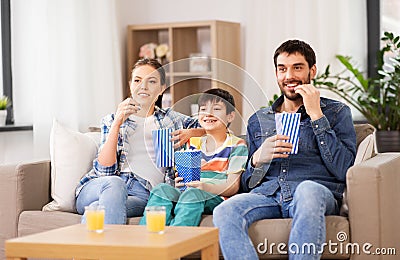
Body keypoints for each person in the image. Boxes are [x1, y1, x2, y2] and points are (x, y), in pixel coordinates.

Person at [213, 40, 357, 259]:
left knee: (307, 190)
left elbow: (344, 169)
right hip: (268, 195)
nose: (289, 76)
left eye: (297, 67)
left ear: (312, 70)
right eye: (282, 69)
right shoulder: (258, 120)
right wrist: (256, 160)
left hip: (314, 192)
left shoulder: (337, 112)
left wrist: (316, 115)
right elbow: (247, 185)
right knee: (225, 210)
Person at [75, 58, 204, 224]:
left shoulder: (172, 119)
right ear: (130, 85)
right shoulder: (112, 120)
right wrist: (117, 124)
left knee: (97, 209)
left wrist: (192, 132)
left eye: (151, 81)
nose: (143, 86)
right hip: (100, 186)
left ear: (162, 88)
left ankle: (93, 247)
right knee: (115, 185)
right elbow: (104, 172)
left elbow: (218, 128)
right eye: (137, 80)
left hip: (142, 193)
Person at [139, 88, 248, 227]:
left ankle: (177, 242)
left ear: (230, 116)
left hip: (216, 196)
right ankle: (146, 239)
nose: (208, 113)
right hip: (189, 192)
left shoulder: (237, 145)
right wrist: (180, 182)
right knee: (161, 190)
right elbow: (184, 182)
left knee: (193, 194)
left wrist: (204, 187)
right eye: (203, 109)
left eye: (216, 109)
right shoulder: (192, 143)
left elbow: (232, 187)